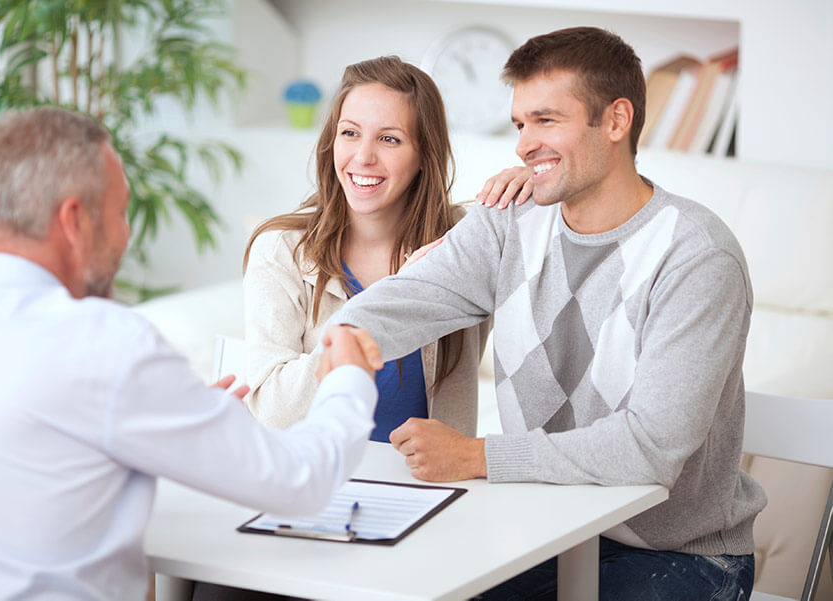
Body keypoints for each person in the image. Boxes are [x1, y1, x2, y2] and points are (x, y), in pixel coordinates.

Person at [326, 27, 766, 600]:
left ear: (615, 121)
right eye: (519, 124)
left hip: (679, 555)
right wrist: (349, 333)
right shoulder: (509, 221)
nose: (523, 144)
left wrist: (476, 456)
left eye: (546, 120)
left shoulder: (695, 256)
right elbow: (413, 297)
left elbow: (650, 448)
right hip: (544, 528)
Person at [0, 106, 384, 600]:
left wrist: (174, 419)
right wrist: (349, 377)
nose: (126, 236)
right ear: (75, 221)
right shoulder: (104, 345)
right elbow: (302, 482)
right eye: (121, 212)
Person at [241, 55, 523, 441]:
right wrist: (393, 304)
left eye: (390, 139)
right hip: (317, 482)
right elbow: (274, 409)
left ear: (424, 154)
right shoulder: (281, 249)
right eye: (350, 133)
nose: (363, 157)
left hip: (434, 488)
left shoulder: (462, 241)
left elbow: (563, 230)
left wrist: (534, 181)